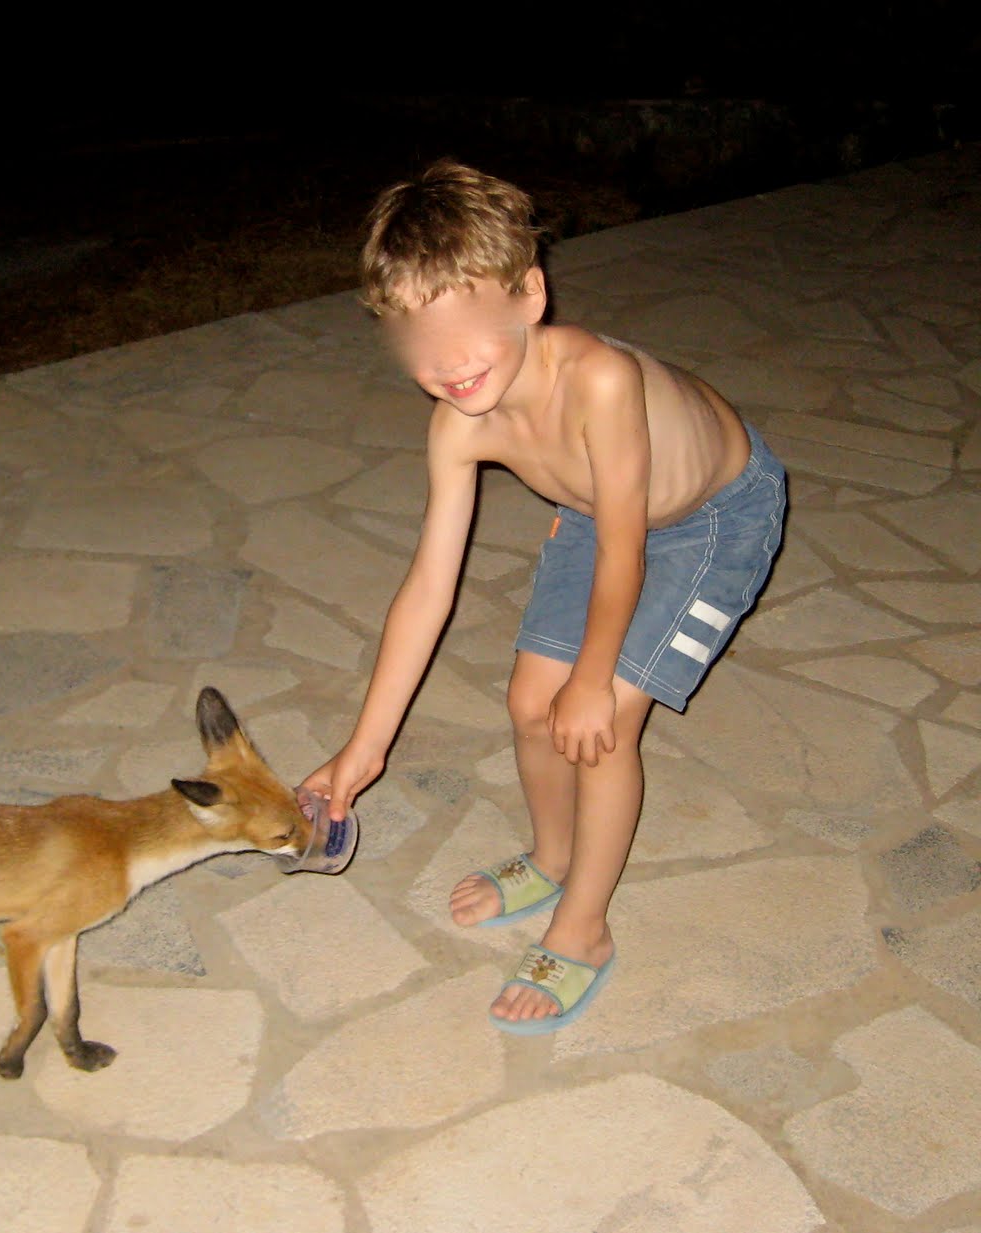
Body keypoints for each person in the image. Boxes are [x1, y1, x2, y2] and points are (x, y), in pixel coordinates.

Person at [301, 159, 787, 1034]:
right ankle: (554, 857)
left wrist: (595, 678)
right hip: (597, 511)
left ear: (529, 294)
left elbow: (628, 548)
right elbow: (429, 585)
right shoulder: (458, 426)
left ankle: (585, 926)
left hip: (711, 518)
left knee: (601, 724)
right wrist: (363, 747)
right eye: (415, 340)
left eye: (465, 331)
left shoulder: (599, 380)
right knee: (531, 703)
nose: (446, 363)